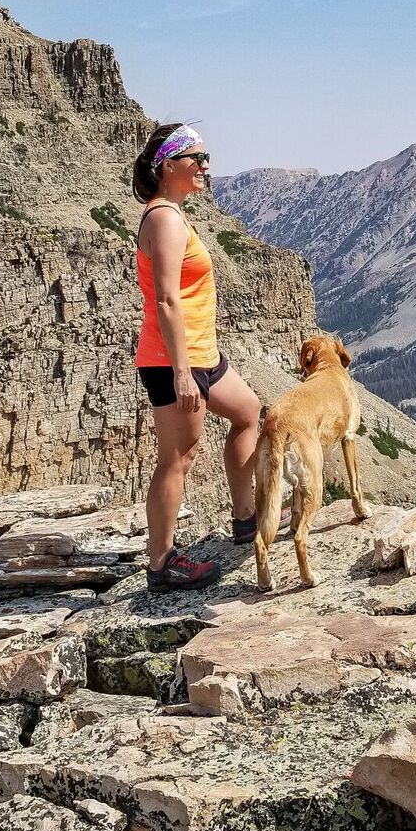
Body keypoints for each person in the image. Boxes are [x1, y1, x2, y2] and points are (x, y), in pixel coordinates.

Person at [132, 123, 275, 591]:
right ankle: (161, 562)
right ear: (168, 165)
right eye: (196, 158)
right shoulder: (164, 219)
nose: (206, 167)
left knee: (249, 412)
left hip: (202, 354)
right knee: (178, 457)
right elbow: (167, 301)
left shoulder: (173, 214)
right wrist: (182, 374)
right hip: (176, 360)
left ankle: (246, 517)